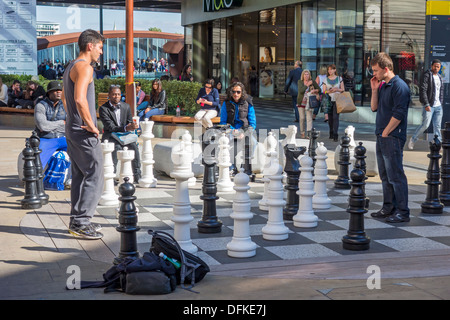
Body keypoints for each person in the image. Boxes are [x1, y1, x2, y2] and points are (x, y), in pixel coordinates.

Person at [61, 29, 105, 240]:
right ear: (90, 46)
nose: (101, 53)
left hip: (72, 128)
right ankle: (82, 222)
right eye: (100, 48)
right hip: (83, 130)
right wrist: (92, 125)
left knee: (79, 174)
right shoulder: (85, 68)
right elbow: (79, 100)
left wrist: (72, 119)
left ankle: (76, 221)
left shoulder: (70, 66)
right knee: (95, 174)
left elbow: (64, 99)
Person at [370, 52, 410, 223]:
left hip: (392, 136)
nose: (374, 74)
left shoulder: (399, 86)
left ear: (386, 69)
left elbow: (399, 114)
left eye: (376, 71)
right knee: (385, 175)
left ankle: (403, 211)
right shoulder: (383, 85)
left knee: (395, 175)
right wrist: (373, 89)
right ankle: (388, 208)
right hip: (382, 135)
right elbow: (374, 108)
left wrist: (386, 132)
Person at [99, 85, 141, 184]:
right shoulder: (103, 109)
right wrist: (126, 128)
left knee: (134, 147)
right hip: (111, 135)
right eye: (113, 94)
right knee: (116, 147)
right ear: (109, 95)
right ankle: (111, 177)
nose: (116, 96)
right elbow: (110, 127)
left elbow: (129, 121)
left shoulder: (126, 106)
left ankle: (137, 175)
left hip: (124, 135)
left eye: (118, 94)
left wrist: (133, 126)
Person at [220, 81, 257, 175]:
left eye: (238, 92)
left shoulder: (248, 102)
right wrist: (232, 131)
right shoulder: (226, 103)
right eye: (233, 92)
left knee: (253, 142)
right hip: (230, 129)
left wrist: (244, 133)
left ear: (242, 92)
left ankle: (245, 165)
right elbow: (223, 122)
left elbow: (252, 123)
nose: (235, 94)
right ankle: (231, 167)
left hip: (244, 129)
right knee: (223, 142)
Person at [408, 59, 444, 149]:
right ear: (431, 66)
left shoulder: (439, 77)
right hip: (429, 105)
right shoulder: (427, 75)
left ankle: (437, 144)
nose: (436, 68)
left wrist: (441, 102)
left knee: (437, 127)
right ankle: (413, 139)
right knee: (425, 125)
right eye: (435, 66)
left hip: (438, 106)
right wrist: (426, 104)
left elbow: (441, 91)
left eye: (438, 67)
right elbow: (423, 90)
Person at [34, 81, 68, 169]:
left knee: (80, 152)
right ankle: (37, 180)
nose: (59, 92)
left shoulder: (65, 105)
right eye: (56, 90)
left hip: (63, 137)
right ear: (49, 92)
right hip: (47, 138)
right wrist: (61, 123)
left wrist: (51, 126)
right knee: (38, 163)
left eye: (60, 90)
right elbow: (43, 126)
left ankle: (72, 178)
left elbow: (69, 124)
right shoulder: (41, 105)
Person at [322, 64, 345, 141]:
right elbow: (324, 91)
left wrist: (336, 89)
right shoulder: (326, 79)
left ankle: (335, 133)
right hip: (329, 99)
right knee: (330, 117)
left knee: (336, 117)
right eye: (328, 70)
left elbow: (343, 89)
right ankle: (331, 131)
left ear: (335, 70)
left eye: (331, 69)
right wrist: (329, 91)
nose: (330, 71)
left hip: (337, 99)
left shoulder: (339, 78)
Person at [297, 70, 321, 139]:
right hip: (301, 102)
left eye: (307, 74)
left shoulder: (312, 82)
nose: (306, 76)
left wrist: (315, 91)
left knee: (309, 118)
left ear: (309, 75)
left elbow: (319, 89)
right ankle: (302, 132)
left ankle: (309, 133)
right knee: (302, 118)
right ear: (303, 75)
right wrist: (307, 85)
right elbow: (301, 91)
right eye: (305, 74)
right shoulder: (300, 82)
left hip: (309, 102)